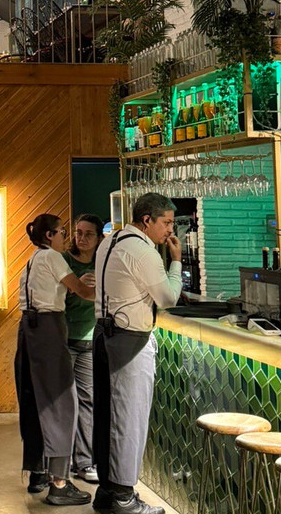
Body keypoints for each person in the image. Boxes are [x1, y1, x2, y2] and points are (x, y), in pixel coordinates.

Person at [92, 193, 182, 514]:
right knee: (130, 418)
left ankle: (107, 492)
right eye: (166, 223)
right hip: (130, 341)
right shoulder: (143, 251)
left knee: (107, 417)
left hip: (103, 336)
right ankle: (123, 498)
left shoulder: (109, 241)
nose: (170, 230)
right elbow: (168, 297)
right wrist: (175, 261)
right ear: (147, 220)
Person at [15, 213, 96, 506]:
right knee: (62, 403)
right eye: (63, 231)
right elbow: (84, 292)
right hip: (48, 330)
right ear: (50, 235)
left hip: (28, 330)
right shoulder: (53, 256)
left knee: (35, 401)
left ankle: (38, 472)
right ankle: (60, 484)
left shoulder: (34, 258)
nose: (67, 237)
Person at [66, 214, 101, 485]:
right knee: (64, 402)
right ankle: (58, 460)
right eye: (79, 232)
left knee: (87, 400)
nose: (82, 238)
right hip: (64, 338)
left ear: (99, 237)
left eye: (89, 234)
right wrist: (76, 287)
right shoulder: (64, 261)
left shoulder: (104, 262)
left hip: (90, 340)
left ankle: (84, 461)